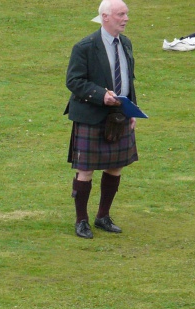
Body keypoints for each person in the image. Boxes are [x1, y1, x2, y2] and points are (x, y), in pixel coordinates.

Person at [65, 0, 139, 239]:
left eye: (126, 14)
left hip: (118, 116)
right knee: (85, 170)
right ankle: (81, 220)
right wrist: (100, 95)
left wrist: (131, 111)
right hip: (91, 115)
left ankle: (103, 217)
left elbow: (129, 80)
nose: (126, 18)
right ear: (105, 17)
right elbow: (74, 81)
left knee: (115, 167)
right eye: (121, 14)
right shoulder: (85, 47)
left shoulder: (125, 43)